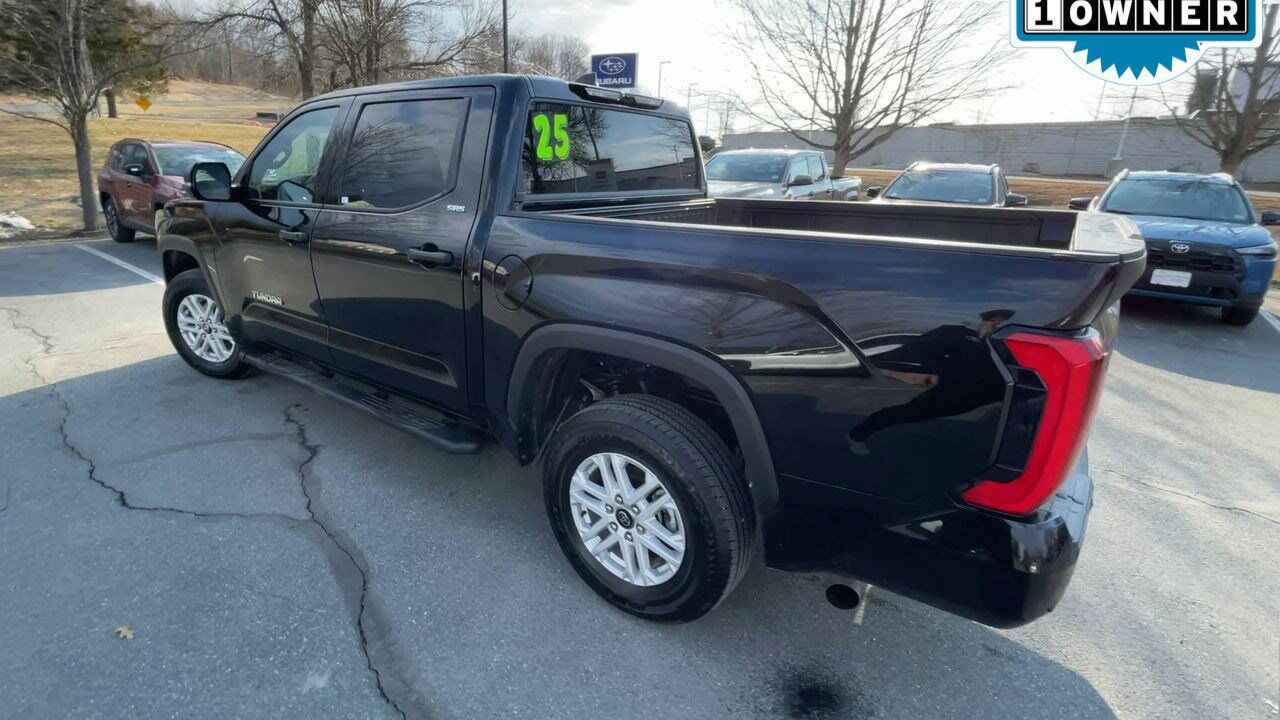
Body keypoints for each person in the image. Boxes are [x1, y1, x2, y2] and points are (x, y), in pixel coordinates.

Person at [847, 309, 1014, 456]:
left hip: (985, 395)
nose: (993, 328)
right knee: (907, 413)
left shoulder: (1002, 348)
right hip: (950, 391)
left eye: (998, 325)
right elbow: (914, 350)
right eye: (992, 322)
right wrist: (893, 370)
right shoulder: (959, 335)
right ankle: (857, 435)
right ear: (983, 322)